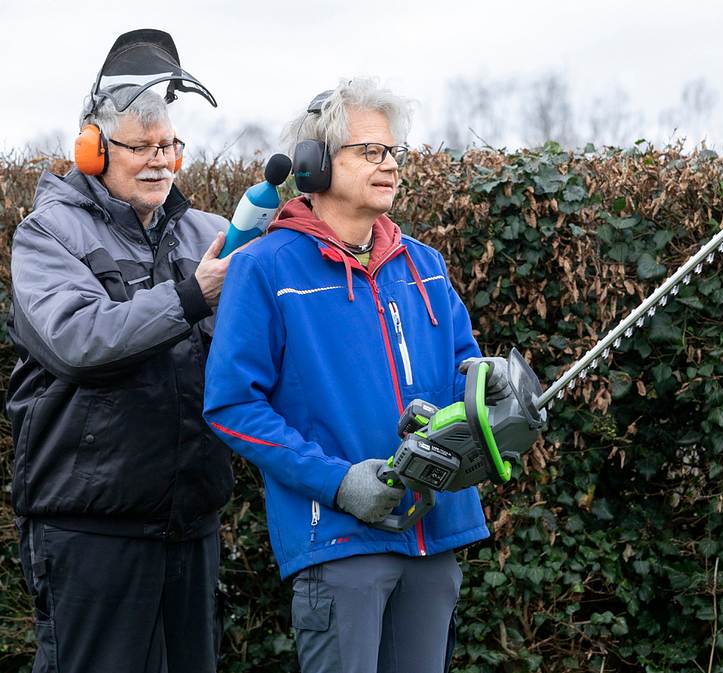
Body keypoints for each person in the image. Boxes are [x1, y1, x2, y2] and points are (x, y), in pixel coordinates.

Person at [203, 78, 508, 673]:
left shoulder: (424, 265)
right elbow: (233, 404)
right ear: (315, 166)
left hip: (435, 536)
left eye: (394, 152)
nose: (390, 164)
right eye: (371, 151)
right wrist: (340, 484)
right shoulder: (265, 269)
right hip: (340, 544)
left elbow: (460, 364)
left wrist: (485, 382)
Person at [6, 30, 236, 673]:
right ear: (93, 148)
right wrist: (194, 296)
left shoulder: (210, 234)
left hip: (191, 527)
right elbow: (79, 341)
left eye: (170, 145)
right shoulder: (48, 234)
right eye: (142, 147)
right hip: (91, 532)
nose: (161, 160)